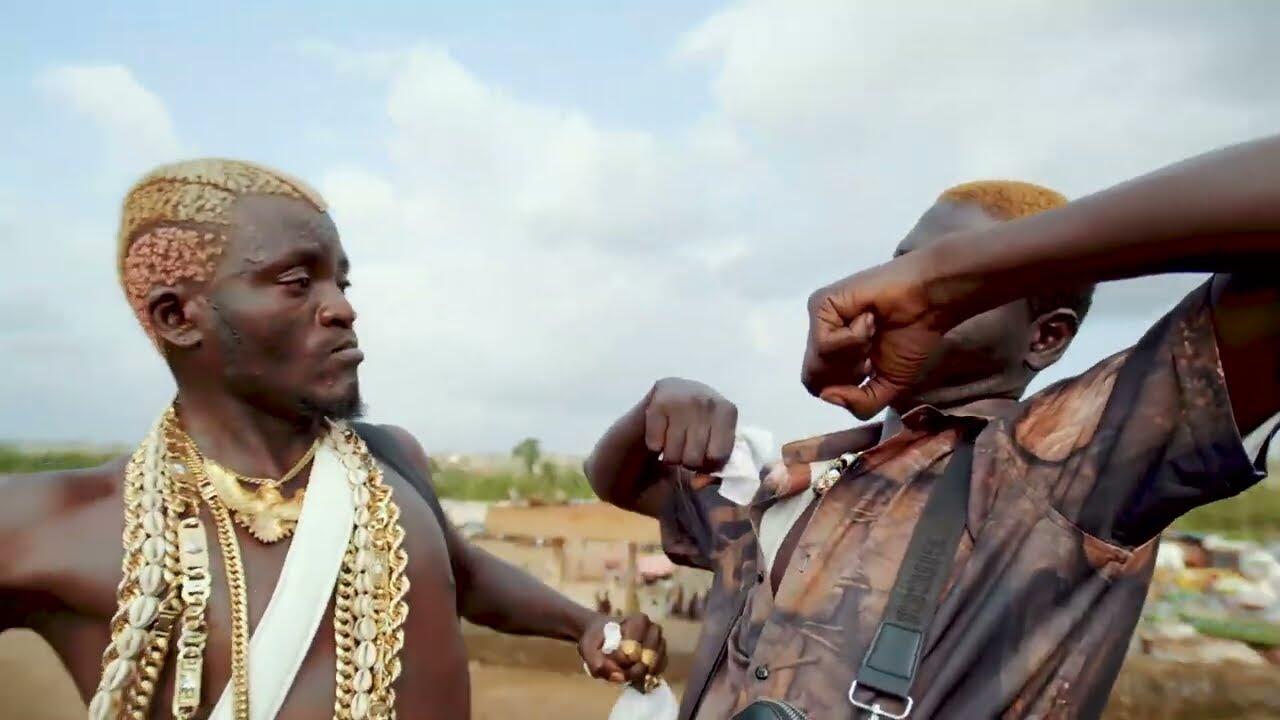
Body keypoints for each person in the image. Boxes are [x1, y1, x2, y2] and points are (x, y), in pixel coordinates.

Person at [585, 134, 1280, 719]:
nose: (900, 290)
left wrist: (946, 276)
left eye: (952, 282)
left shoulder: (1071, 470)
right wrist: (656, 407)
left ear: (1046, 338)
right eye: (901, 263)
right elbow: (617, 479)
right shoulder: (802, 475)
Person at [0, 159, 667, 720]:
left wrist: (585, 625)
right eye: (297, 282)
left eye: (339, 281)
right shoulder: (57, 524)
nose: (343, 308)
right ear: (178, 317)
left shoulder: (392, 459)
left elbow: (463, 575)